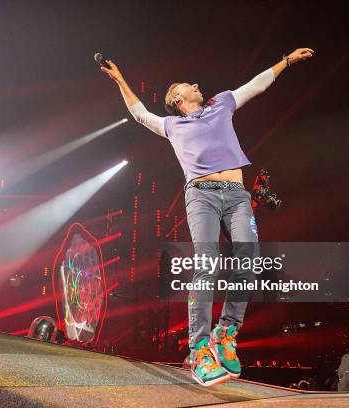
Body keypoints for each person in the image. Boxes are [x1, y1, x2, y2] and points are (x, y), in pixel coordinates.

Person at [101, 47, 314, 386]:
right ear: (177, 98)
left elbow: (256, 85)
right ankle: (200, 349)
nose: (195, 83)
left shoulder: (221, 104)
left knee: (248, 260)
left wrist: (286, 61)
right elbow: (140, 113)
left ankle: (226, 333)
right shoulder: (171, 124)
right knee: (208, 263)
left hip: (237, 197)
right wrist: (121, 80)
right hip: (201, 196)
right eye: (187, 84)